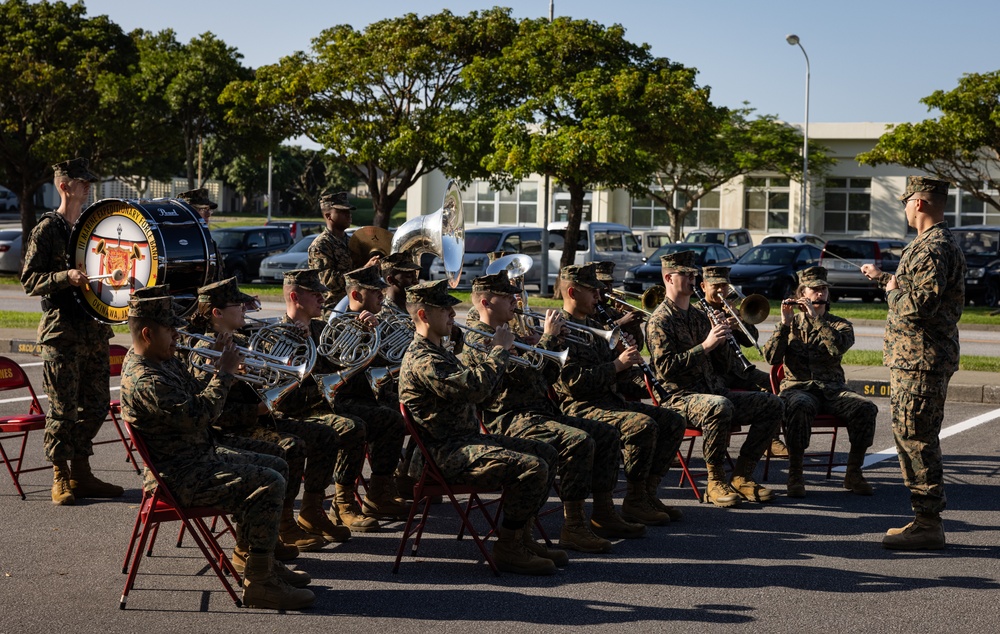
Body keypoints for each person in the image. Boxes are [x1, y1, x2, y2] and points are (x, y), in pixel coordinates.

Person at [120, 294, 313, 610]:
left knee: (277, 460)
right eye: (171, 331)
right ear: (147, 334)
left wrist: (212, 368)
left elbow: (195, 399)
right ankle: (260, 584)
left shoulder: (162, 362)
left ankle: (255, 560)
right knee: (269, 482)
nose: (179, 337)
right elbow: (200, 417)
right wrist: (222, 374)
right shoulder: (146, 378)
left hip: (196, 455)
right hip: (180, 475)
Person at [464, 271, 644, 553]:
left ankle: (604, 512)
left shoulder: (508, 333)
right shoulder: (481, 339)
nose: (515, 300)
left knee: (607, 435)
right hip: (511, 420)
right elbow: (517, 377)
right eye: (507, 296)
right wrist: (546, 341)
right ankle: (572, 526)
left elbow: (542, 377)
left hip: (540, 412)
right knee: (578, 441)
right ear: (486, 302)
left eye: (515, 294)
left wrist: (552, 345)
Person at [398, 279, 561, 575]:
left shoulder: (438, 350)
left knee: (546, 452)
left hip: (465, 441)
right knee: (532, 467)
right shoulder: (423, 359)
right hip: (444, 453)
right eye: (444, 308)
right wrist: (498, 352)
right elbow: (474, 389)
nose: (452, 312)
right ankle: (508, 547)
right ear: (423, 315)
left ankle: (521, 536)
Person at [861, 176, 965, 551]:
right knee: (915, 436)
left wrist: (891, 293)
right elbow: (918, 289)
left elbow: (919, 305)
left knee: (916, 438)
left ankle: (927, 522)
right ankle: (924, 517)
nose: (904, 208)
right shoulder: (931, 244)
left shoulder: (933, 247)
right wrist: (885, 279)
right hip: (918, 358)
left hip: (919, 361)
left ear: (918, 203)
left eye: (906, 202)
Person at [186, 277, 327, 553]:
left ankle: (289, 522)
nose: (244, 308)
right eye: (237, 304)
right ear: (217, 313)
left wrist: (297, 336)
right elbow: (215, 415)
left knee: (323, 434)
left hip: (258, 420)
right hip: (229, 431)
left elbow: (274, 368)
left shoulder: (242, 337)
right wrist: (257, 407)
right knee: (289, 448)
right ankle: (267, 535)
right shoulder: (202, 351)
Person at [21, 158, 122, 506]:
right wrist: (66, 277)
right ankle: (60, 475)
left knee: (95, 407)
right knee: (62, 409)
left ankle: (82, 471)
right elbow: (29, 281)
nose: (88, 186)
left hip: (93, 333)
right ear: (64, 186)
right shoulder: (47, 229)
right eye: (82, 181)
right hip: (61, 333)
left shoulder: (91, 227)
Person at [553, 264, 687, 526]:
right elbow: (572, 384)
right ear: (572, 292)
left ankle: (643, 495)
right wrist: (617, 365)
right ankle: (612, 506)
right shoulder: (558, 329)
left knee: (673, 420)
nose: (599, 297)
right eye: (592, 292)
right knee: (641, 426)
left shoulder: (595, 325)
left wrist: (632, 365)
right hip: (579, 406)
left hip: (609, 401)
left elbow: (619, 376)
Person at [646, 251, 782, 507]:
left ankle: (742, 475)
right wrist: (705, 346)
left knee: (772, 404)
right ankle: (715, 480)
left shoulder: (699, 316)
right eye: (684, 274)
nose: (690, 278)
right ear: (668, 277)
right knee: (719, 407)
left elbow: (720, 365)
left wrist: (723, 337)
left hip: (713, 390)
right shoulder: (659, 320)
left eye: (692, 274)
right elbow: (664, 370)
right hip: (680, 398)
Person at [273, 268, 380, 535]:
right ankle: (298, 514)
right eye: (315, 293)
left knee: (356, 425)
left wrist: (363, 331)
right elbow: (280, 395)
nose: (323, 297)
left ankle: (327, 506)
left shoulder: (323, 328)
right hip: (291, 411)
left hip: (321, 406)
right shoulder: (275, 334)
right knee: (337, 430)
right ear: (295, 297)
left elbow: (345, 365)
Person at [761, 266, 878, 498]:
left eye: (823, 289)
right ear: (801, 294)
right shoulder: (791, 324)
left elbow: (836, 348)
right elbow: (771, 357)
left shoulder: (840, 325)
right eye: (814, 289)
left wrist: (817, 320)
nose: (820, 293)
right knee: (799, 406)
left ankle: (853, 473)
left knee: (866, 408)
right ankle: (795, 473)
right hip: (798, 388)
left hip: (833, 390)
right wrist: (783, 325)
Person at [331, 264, 410, 519]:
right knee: (357, 426)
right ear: (355, 295)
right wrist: (364, 336)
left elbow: (387, 361)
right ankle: (342, 502)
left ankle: (379, 495)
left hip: (367, 397)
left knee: (393, 419)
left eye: (381, 289)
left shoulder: (380, 322)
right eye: (375, 291)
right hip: (340, 400)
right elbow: (341, 369)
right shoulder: (335, 326)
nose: (381, 294)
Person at [698, 265, 789, 458]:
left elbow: (751, 340)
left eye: (724, 285)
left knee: (777, 385)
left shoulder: (730, 308)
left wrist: (739, 322)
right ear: (704, 286)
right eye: (716, 286)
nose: (722, 291)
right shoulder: (696, 312)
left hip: (739, 370)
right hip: (715, 373)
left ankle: (771, 439)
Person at [308, 192, 379, 315]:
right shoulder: (320, 245)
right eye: (342, 212)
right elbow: (327, 281)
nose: (349, 215)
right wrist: (363, 270)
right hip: (334, 310)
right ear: (328, 215)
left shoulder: (352, 241)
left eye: (349, 211)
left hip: (357, 307)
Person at [177, 188, 225, 282]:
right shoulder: (179, 243)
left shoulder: (208, 242)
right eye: (203, 209)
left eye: (209, 210)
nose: (208, 215)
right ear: (188, 212)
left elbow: (218, 280)